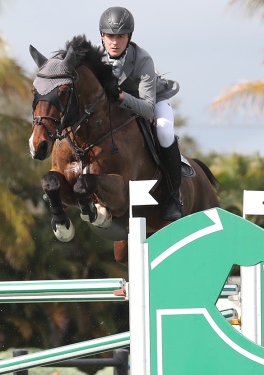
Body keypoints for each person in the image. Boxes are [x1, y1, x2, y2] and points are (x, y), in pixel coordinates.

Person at [99, 6, 183, 221]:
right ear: (102, 36)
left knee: (164, 131)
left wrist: (120, 97)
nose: (114, 42)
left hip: (154, 100)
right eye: (110, 36)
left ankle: (174, 196)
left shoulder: (143, 60)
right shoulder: (96, 59)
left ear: (129, 37)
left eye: (120, 36)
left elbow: (147, 109)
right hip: (120, 107)